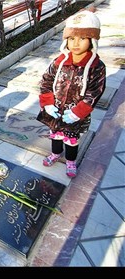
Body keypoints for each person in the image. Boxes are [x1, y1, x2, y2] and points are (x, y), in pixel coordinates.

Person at [37, 9, 106, 178]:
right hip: (56, 110)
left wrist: (78, 113)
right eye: (71, 38)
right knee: (56, 136)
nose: (76, 43)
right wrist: (47, 103)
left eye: (82, 38)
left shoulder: (96, 67)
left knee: (71, 140)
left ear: (92, 40)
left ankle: (70, 161)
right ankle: (55, 154)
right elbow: (46, 81)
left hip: (74, 114)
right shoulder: (59, 61)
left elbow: (95, 92)